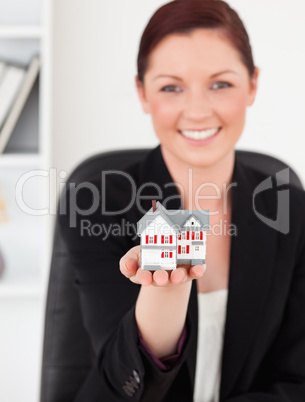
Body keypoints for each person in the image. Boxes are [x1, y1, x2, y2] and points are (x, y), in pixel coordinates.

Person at [59, 0, 305, 401]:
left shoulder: (292, 211)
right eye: (171, 87)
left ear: (253, 85)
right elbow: (120, 384)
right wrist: (164, 291)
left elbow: (297, 382)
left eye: (220, 84)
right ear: (142, 93)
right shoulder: (95, 202)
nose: (196, 110)